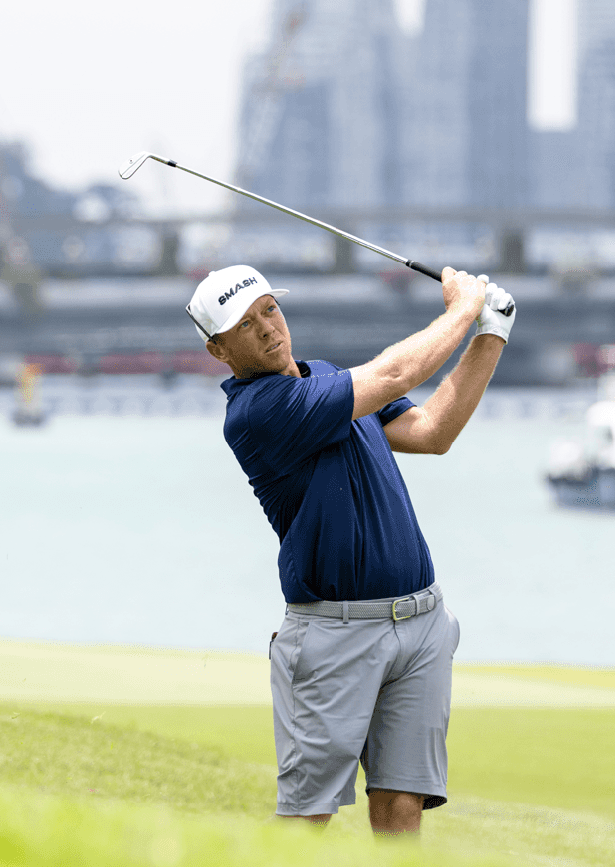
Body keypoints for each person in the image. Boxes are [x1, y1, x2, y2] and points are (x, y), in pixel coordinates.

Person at [184, 262, 514, 835]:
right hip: (334, 634)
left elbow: (432, 432)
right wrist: (463, 309)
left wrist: (491, 332)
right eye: (245, 326)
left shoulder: (327, 379)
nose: (267, 329)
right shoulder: (258, 412)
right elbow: (393, 374)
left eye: (269, 310)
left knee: (402, 804)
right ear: (219, 350)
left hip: (421, 623)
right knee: (307, 815)